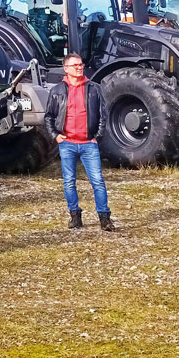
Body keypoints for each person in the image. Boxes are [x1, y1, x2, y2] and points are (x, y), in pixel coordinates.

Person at [45, 53, 114, 230]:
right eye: (75, 65)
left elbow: (103, 115)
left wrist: (97, 137)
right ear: (66, 68)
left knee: (97, 181)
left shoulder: (94, 89)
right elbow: (49, 116)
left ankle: (104, 218)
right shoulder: (57, 91)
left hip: (88, 143)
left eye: (80, 64)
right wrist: (55, 135)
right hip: (67, 143)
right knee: (69, 181)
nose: (79, 67)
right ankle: (75, 216)